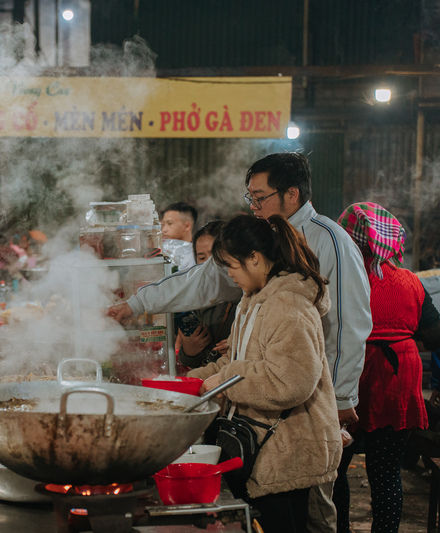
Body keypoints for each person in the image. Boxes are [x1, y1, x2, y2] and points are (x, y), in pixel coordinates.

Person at [107, 152, 372, 532]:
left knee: (317, 508)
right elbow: (201, 282)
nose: (254, 206)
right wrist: (135, 305)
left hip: (312, 404)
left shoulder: (326, 241)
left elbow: (349, 324)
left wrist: (343, 397)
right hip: (270, 415)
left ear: (292, 194)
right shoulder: (257, 269)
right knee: (290, 506)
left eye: (260, 197)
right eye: (251, 198)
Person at [189, 214, 342, 532]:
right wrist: (191, 381)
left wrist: (226, 381)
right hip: (262, 445)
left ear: (254, 259)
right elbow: (234, 360)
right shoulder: (252, 300)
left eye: (231, 265)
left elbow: (290, 381)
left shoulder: (288, 307)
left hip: (289, 451)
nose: (230, 275)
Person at [332, 203, 440, 533]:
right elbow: (435, 335)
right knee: (386, 472)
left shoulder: (342, 280)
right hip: (398, 378)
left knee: (334, 469)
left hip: (350, 378)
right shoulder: (411, 282)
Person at [176, 221, 238, 369]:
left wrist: (240, 347)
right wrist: (190, 352)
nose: (208, 265)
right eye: (202, 258)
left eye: (214, 256)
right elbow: (192, 362)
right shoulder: (198, 299)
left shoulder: (247, 294)